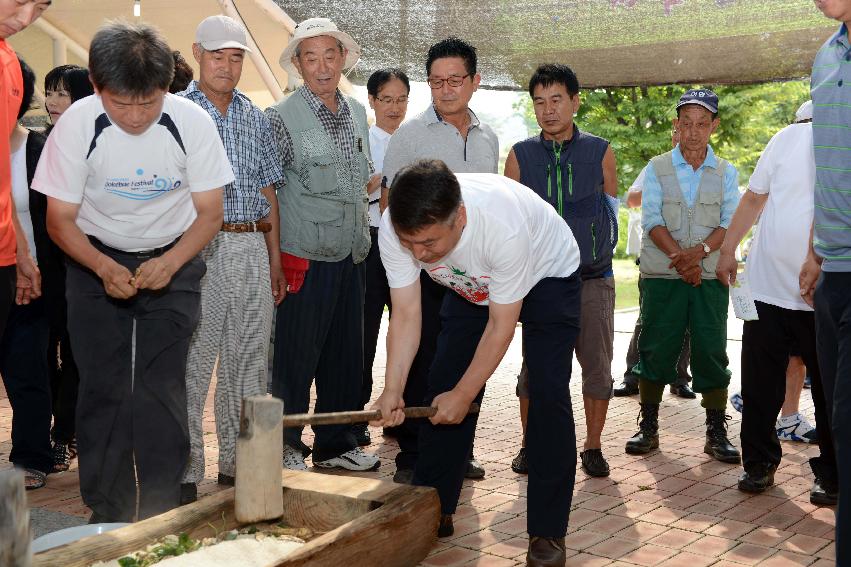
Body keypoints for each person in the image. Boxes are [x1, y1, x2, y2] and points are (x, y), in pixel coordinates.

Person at [33, 21, 232, 522]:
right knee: (103, 385)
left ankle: (165, 510)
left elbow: (210, 212)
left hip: (175, 255)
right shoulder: (78, 123)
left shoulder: (191, 122)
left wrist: (170, 262)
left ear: (167, 87)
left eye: (149, 101)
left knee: (161, 385)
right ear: (98, 87)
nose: (137, 114)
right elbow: (59, 219)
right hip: (91, 256)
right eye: (123, 103)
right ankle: (109, 512)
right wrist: (102, 266)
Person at [372, 161, 581, 567]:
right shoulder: (395, 228)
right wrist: (392, 388)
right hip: (472, 284)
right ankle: (433, 506)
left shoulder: (502, 227)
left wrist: (467, 393)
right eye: (408, 242)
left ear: (460, 218)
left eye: (429, 243)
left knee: (547, 393)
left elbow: (502, 324)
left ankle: (547, 531)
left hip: (548, 275)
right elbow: (406, 313)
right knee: (442, 385)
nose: (417, 253)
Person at [380, 36, 499, 484]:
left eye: (455, 81)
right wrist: (419, 252)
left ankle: (456, 450)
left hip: (475, 266)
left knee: (470, 359)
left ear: (474, 82)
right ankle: (412, 453)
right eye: (436, 82)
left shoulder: (488, 136)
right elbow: (393, 203)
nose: (446, 90)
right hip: (425, 264)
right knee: (423, 354)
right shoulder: (409, 135)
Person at [179, 15, 284, 502]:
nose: (227, 65)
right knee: (192, 361)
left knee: (250, 362)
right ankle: (182, 471)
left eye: (236, 57)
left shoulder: (256, 115)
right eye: (218, 55)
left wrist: (275, 259)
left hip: (249, 243)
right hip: (194, 247)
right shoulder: (174, 112)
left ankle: (242, 467)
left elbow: (268, 190)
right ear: (197, 52)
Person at [265, 17, 378, 472]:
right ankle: (285, 445)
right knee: (294, 357)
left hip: (352, 253)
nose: (322, 66)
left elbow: (363, 178)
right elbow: (268, 190)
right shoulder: (280, 116)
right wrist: (274, 258)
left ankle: (335, 445)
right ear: (297, 64)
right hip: (304, 256)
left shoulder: (354, 112)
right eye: (310, 57)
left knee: (345, 356)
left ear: (343, 59)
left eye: (330, 55)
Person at [716, 100, 836, 504]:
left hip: (822, 292)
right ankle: (759, 463)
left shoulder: (843, 146)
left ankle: (832, 473)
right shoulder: (784, 138)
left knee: (829, 387)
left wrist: (814, 257)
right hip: (768, 288)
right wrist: (728, 249)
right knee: (761, 382)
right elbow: (753, 197)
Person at [503, 63, 617, 478]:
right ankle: (529, 445)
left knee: (597, 365)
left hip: (593, 279)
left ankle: (592, 446)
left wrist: (599, 257)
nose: (548, 110)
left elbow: (611, 213)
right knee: (535, 369)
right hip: (541, 283)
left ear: (574, 101)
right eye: (539, 102)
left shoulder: (601, 151)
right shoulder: (520, 156)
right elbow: (513, 223)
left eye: (556, 100)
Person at [626, 88, 742, 464]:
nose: (693, 132)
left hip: (708, 277)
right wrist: (682, 259)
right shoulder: (657, 167)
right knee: (656, 347)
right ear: (677, 125)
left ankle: (715, 430)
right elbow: (653, 218)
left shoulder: (727, 172)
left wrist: (699, 256)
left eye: (702, 124)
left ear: (714, 126)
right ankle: (648, 425)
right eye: (686, 123)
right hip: (663, 275)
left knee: (711, 349)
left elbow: (729, 222)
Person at [799, 1, 851, 561]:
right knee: (839, 428)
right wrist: (816, 247)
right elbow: (832, 165)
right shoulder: (825, 57)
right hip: (833, 273)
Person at [0, 56, 51, 491]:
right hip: (5, 271)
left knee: (29, 371)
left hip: (33, 279)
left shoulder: (38, 148)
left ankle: (33, 455)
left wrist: (32, 269)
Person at [41, 62, 94, 475]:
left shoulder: (89, 143)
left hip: (80, 265)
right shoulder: (34, 144)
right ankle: (56, 426)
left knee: (75, 354)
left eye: (62, 93)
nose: (52, 101)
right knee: (42, 353)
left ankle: (64, 434)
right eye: (49, 92)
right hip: (40, 269)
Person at [615, 128, 695, 399]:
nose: (682, 137)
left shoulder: (708, 168)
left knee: (685, 319)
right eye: (677, 133)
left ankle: (680, 379)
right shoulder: (656, 166)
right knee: (647, 318)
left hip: (691, 258)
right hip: (655, 258)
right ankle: (633, 376)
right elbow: (631, 199)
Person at [356, 68, 410, 447]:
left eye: (401, 99)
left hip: (410, 246)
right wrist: (374, 183)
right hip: (371, 240)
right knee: (364, 333)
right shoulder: (362, 140)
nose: (394, 108)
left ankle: (400, 415)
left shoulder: (414, 139)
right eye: (386, 100)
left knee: (407, 329)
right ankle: (357, 418)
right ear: (372, 102)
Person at [0, 0, 50, 344]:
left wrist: (19, 251)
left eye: (41, 8)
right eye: (20, 1)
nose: (26, 18)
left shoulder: (10, 65)